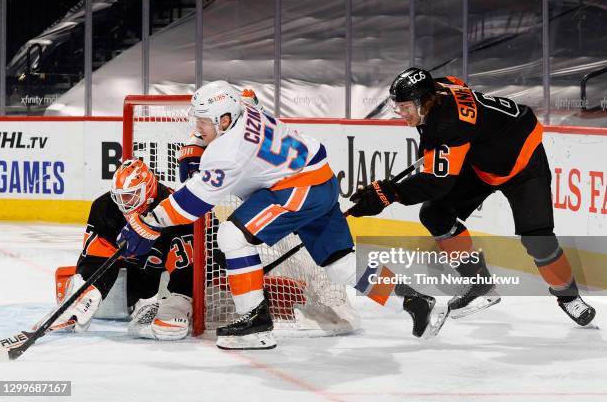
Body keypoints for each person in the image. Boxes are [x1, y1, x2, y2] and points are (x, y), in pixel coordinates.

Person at [116, 80, 447, 350]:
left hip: (298, 189)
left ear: (225, 121)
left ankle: (255, 324)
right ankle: (416, 300)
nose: (198, 126)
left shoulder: (228, 151)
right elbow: (240, 101)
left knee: (232, 235)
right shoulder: (244, 107)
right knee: (340, 263)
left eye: (203, 122)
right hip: (319, 179)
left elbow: (192, 204)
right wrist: (195, 144)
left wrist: (146, 222)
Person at [347, 67, 596, 326]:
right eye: (398, 107)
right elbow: (459, 86)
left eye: (407, 107)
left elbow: (435, 184)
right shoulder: (441, 89)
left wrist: (389, 193)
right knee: (435, 214)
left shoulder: (445, 124)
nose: (402, 114)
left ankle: (569, 298)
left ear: (424, 102)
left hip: (524, 161)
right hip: (484, 161)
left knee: (538, 239)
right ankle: (480, 285)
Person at [50, 159, 195, 340]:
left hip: (162, 278)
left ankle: (177, 300)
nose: (123, 203)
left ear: (148, 190)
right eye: (119, 196)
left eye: (130, 195)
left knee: (171, 320)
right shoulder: (104, 208)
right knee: (107, 311)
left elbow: (186, 264)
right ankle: (82, 291)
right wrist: (87, 290)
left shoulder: (174, 210)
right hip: (128, 275)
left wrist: (180, 300)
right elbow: (96, 257)